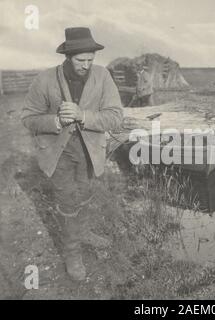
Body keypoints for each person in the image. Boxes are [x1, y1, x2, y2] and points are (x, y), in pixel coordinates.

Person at [21, 27, 124, 281]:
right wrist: (55, 121)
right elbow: (28, 118)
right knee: (67, 202)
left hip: (90, 150)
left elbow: (116, 116)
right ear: (67, 57)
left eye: (91, 60)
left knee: (86, 194)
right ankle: (72, 254)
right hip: (59, 152)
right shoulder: (45, 80)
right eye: (80, 60)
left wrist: (83, 116)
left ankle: (84, 231)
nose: (86, 66)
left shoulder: (103, 76)